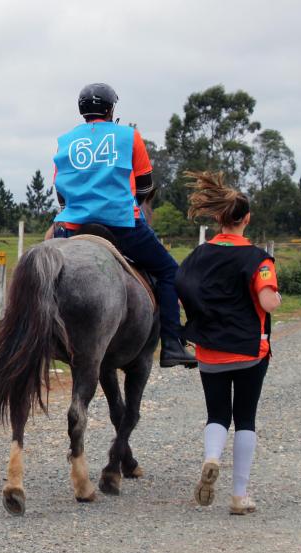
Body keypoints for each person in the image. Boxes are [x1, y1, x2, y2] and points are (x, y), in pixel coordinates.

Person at [48, 83, 196, 368]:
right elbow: (145, 186)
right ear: (110, 108)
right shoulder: (128, 136)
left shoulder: (65, 141)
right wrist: (130, 204)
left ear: (82, 110)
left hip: (71, 226)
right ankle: (172, 344)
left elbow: (61, 193)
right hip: (121, 224)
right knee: (169, 272)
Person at [174, 171, 281, 515]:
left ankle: (211, 457)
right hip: (249, 351)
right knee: (245, 418)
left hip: (209, 351)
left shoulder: (198, 255)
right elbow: (267, 302)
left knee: (217, 414)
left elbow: (180, 288)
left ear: (218, 218)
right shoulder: (258, 258)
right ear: (246, 219)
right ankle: (239, 496)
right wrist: (277, 297)